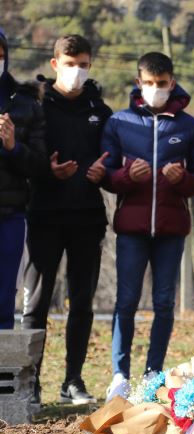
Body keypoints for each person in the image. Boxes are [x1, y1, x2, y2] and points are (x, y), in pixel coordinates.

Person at [101, 52, 194, 401]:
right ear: (138, 83)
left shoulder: (189, 127)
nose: (155, 90)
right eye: (149, 84)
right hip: (131, 229)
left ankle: (153, 373)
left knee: (164, 303)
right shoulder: (119, 122)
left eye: (161, 84)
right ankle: (119, 375)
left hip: (171, 229)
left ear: (172, 83)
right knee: (126, 301)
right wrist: (125, 176)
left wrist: (182, 180)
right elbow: (107, 175)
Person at [21, 34, 112, 405]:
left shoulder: (101, 110)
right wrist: (47, 171)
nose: (78, 71)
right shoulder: (35, 106)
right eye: (71, 63)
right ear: (55, 63)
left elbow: (113, 161)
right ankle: (30, 382)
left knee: (82, 302)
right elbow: (22, 158)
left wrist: (101, 176)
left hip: (88, 219)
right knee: (36, 303)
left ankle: (72, 380)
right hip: (43, 215)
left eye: (84, 64)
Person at [0, 28, 46, 331]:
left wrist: (13, 147)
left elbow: (40, 166)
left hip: (10, 214)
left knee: (4, 296)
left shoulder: (24, 104)